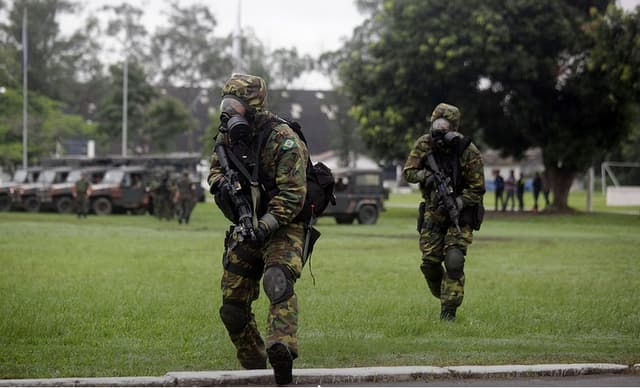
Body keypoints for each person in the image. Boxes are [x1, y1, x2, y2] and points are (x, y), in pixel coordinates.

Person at [208, 73, 308, 385]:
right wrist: (225, 187)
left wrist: (265, 225)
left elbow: (294, 194)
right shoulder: (227, 138)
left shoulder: (282, 137)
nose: (228, 112)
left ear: (252, 106)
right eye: (225, 104)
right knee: (232, 309)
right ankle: (255, 364)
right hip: (246, 223)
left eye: (234, 105)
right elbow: (214, 171)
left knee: (277, 280)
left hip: (284, 225)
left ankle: (281, 351)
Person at [403, 102, 485, 321]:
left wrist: (460, 201)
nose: (440, 129)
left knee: (454, 260)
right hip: (433, 211)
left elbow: (478, 188)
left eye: (445, 125)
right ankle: (445, 293)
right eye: (437, 124)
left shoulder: (468, 150)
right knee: (429, 263)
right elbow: (409, 172)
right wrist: (427, 177)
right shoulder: (424, 144)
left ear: (454, 127)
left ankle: (449, 312)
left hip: (461, 213)